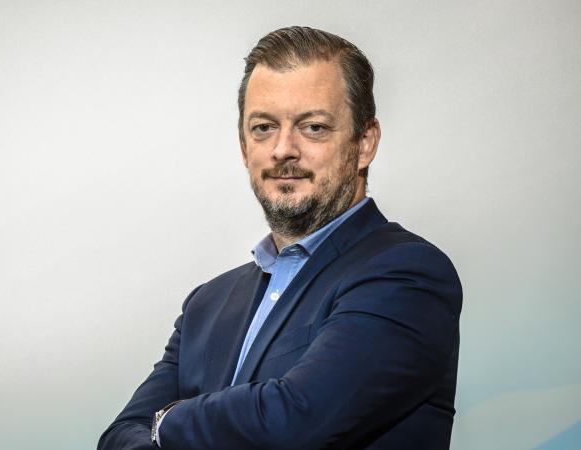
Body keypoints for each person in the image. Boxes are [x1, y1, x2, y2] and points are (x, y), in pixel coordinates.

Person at [98, 26, 462, 450]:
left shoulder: (407, 275)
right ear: (243, 146)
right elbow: (120, 438)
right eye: (264, 127)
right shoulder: (207, 305)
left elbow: (295, 421)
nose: (283, 149)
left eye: (313, 128)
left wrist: (167, 422)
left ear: (364, 143)